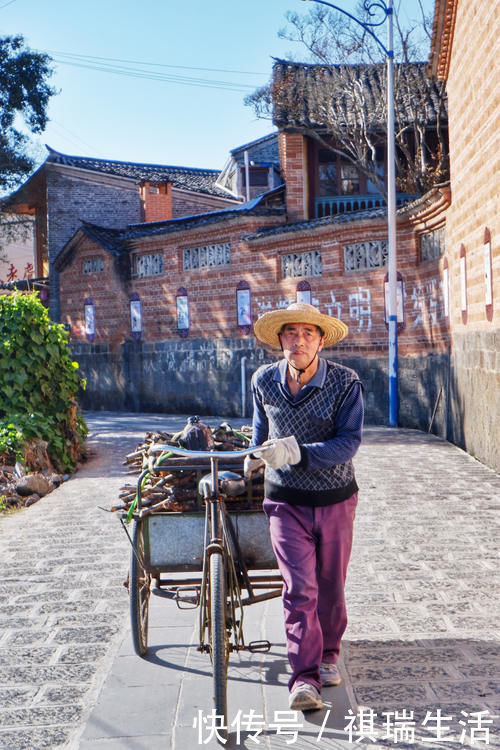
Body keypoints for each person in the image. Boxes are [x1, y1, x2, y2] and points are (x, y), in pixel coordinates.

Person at [244, 302, 363, 712]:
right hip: (285, 501)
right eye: (290, 333)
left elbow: (349, 442)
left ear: (321, 340)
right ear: (280, 340)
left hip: (335, 499)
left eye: (307, 334)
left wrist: (296, 452)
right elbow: (261, 431)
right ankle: (304, 678)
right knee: (300, 588)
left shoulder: (346, 383)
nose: (298, 341)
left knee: (330, 585)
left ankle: (329, 653)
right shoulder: (263, 380)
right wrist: (256, 454)